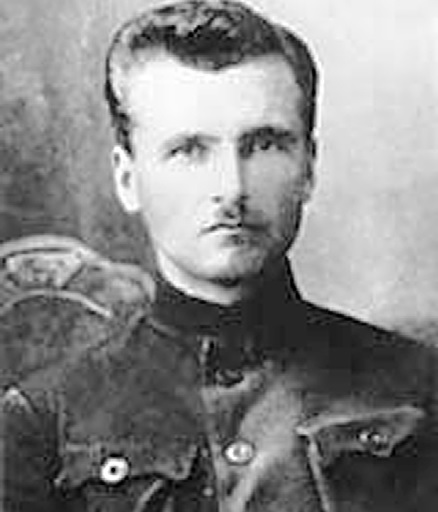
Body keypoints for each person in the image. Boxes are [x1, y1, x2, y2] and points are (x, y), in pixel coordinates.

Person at [3, 1, 438, 511]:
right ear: (127, 178)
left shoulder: (421, 388)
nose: (231, 188)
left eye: (265, 144)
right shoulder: (42, 423)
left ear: (308, 167)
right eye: (189, 150)